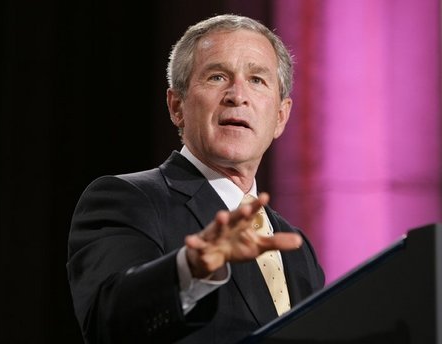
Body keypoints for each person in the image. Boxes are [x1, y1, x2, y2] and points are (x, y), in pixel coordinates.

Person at [67, 14, 325, 344]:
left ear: (280, 117)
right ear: (177, 106)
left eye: (257, 80)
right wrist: (191, 268)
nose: (237, 95)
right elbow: (107, 322)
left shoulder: (296, 247)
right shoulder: (127, 199)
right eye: (217, 77)